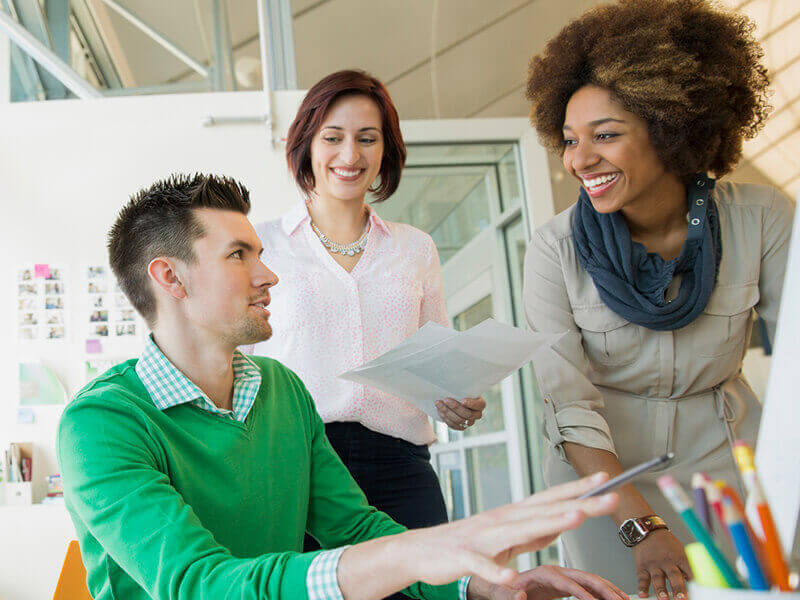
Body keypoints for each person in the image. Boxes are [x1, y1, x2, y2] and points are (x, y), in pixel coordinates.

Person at [57, 174, 628, 600]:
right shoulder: (102, 425)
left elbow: (352, 527)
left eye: (259, 252)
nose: (268, 275)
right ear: (170, 277)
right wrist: (413, 552)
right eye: (239, 255)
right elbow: (201, 583)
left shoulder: (282, 389)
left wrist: (481, 584)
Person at [522, 0, 795, 597]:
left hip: (728, 464)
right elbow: (569, 406)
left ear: (672, 130)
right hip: (602, 476)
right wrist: (638, 525)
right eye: (570, 140)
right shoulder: (553, 250)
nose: (580, 159)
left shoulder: (762, 218)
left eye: (606, 136)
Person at [249, 70, 487, 554]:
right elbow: (234, 358)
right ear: (305, 145)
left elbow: (439, 361)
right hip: (296, 465)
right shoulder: (260, 244)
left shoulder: (414, 247)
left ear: (386, 150)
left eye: (367, 138)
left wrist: (456, 401)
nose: (350, 155)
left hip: (401, 466)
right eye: (332, 137)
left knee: (429, 587)